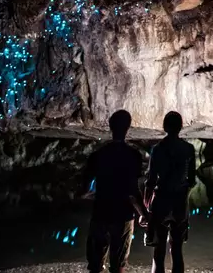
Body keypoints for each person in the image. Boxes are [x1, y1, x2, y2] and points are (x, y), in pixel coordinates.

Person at [81, 110, 148, 273]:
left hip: (101, 212)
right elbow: (133, 192)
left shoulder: (98, 155)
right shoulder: (133, 156)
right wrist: (144, 213)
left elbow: (84, 189)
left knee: (95, 265)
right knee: (118, 265)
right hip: (123, 214)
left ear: (110, 127)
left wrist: (90, 195)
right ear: (128, 128)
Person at [145, 110, 197, 273]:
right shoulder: (188, 149)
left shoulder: (157, 149)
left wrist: (146, 206)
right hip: (179, 201)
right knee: (177, 249)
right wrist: (184, 194)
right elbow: (192, 180)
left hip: (161, 200)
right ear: (180, 127)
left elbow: (151, 180)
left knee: (158, 250)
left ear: (164, 127)